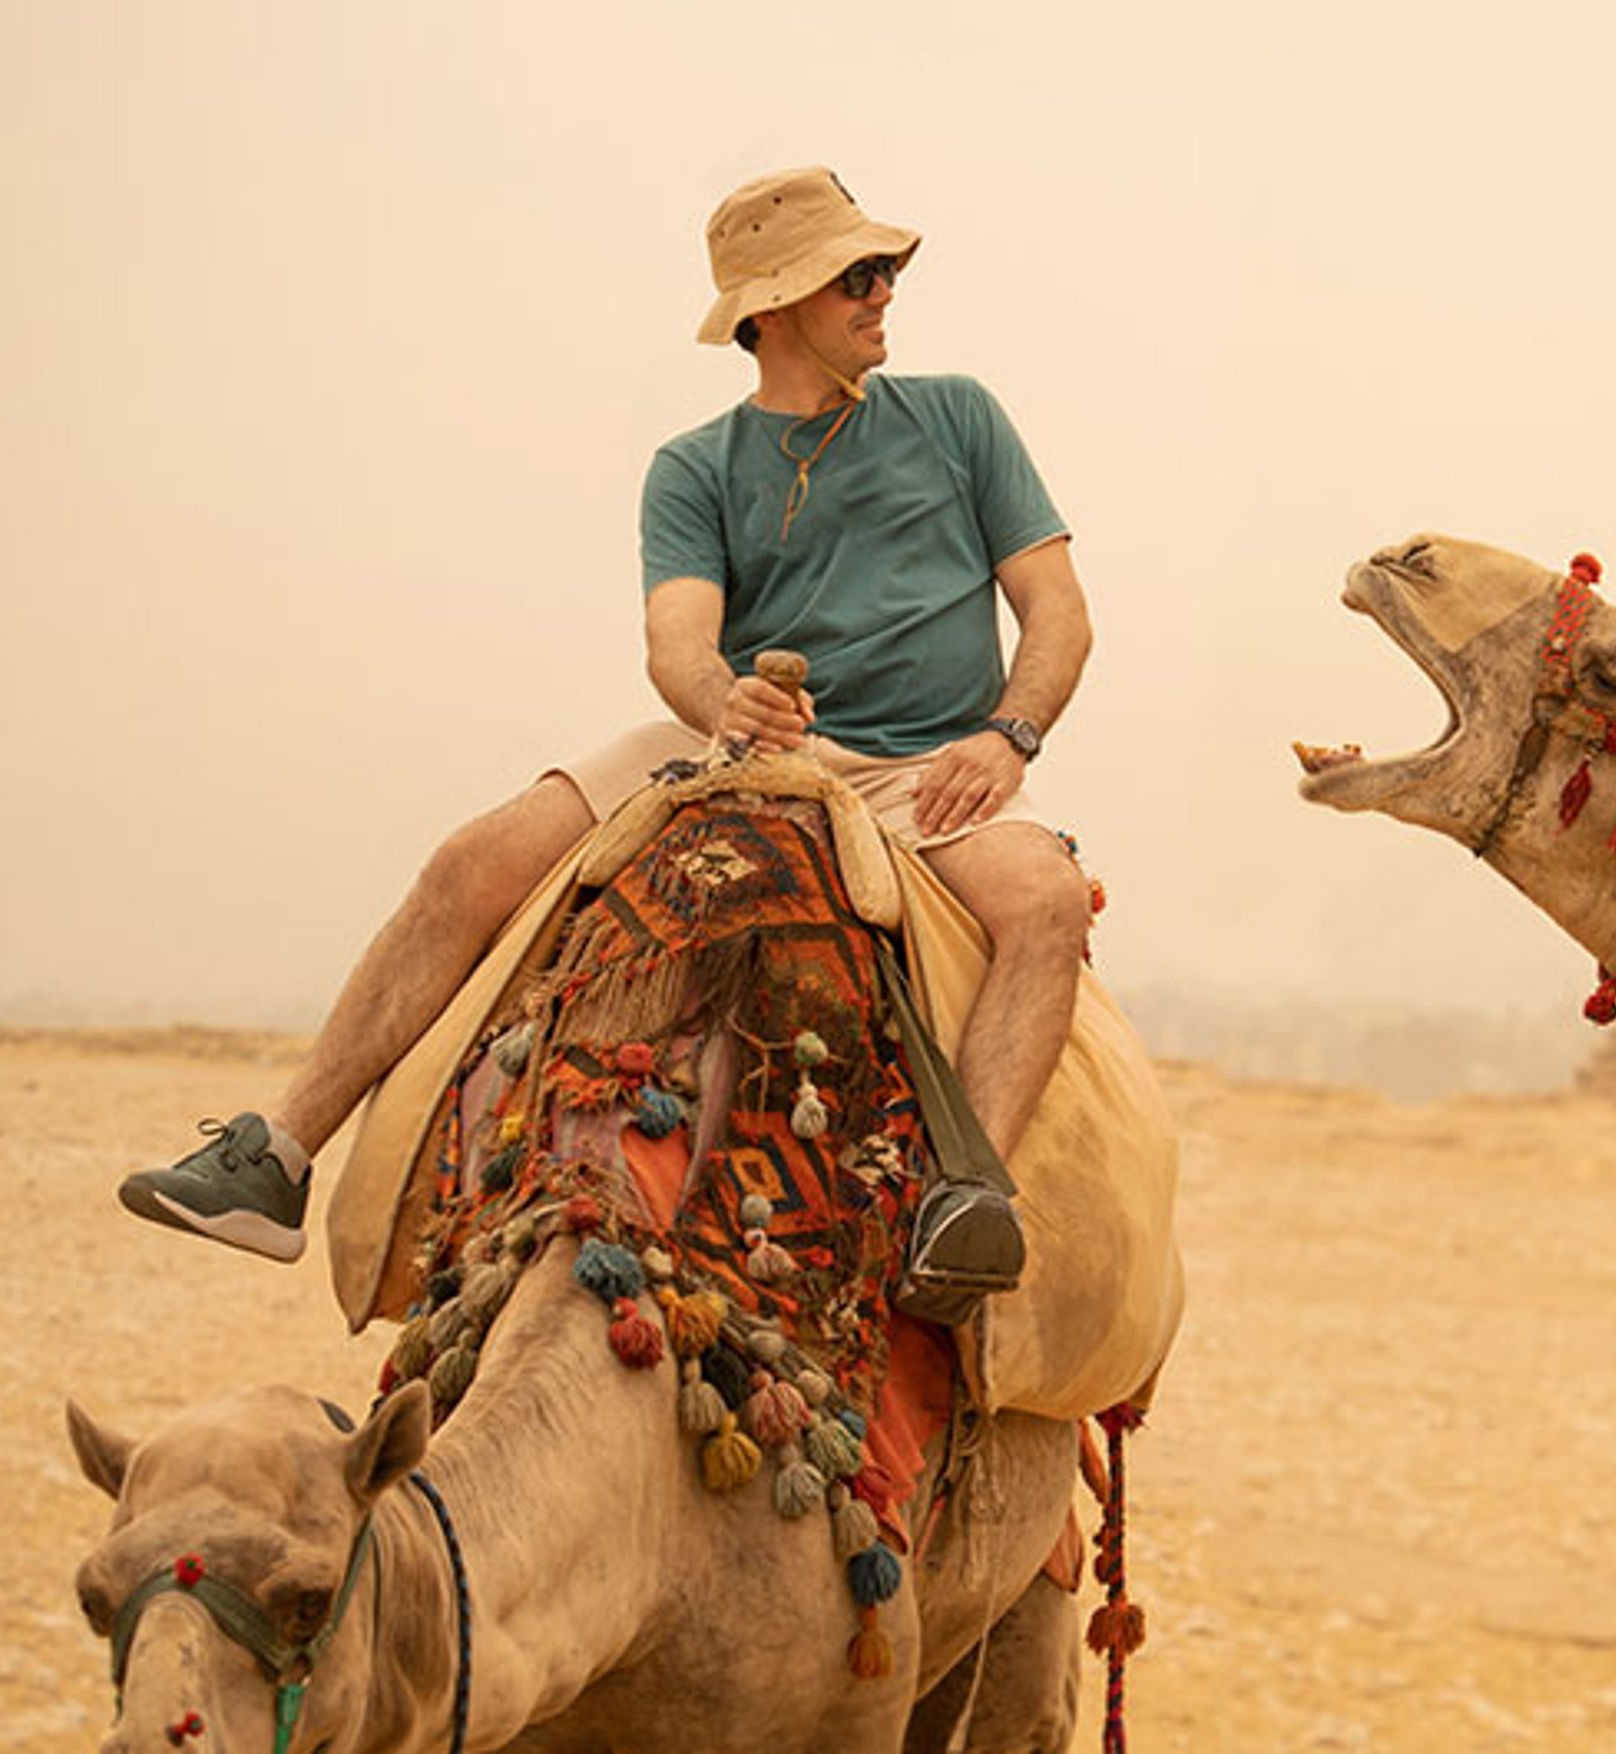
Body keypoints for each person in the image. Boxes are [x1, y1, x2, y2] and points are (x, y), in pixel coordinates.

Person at [118, 167, 1095, 1314]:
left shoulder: (959, 416)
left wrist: (1008, 734)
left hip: (926, 763)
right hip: (748, 739)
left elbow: (1059, 610)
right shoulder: (695, 467)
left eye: (884, 272)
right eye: (857, 278)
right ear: (770, 311)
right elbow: (675, 640)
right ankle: (274, 1157)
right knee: (473, 859)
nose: (885, 294)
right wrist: (722, 698)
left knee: (1048, 904)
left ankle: (963, 1196)